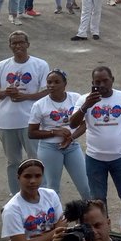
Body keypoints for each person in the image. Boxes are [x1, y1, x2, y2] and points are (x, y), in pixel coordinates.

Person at [68, 66, 121, 207]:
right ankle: (101, 229)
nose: (101, 85)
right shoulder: (84, 100)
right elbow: (72, 124)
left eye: (105, 81)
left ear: (112, 80)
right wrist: (86, 106)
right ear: (92, 83)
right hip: (94, 159)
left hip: (120, 158)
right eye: (97, 82)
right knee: (98, 201)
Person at [0, 30, 51, 195]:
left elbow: (46, 92)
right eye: (14, 43)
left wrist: (25, 96)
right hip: (6, 122)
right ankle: (16, 194)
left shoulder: (40, 65)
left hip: (30, 122)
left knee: (37, 160)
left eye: (21, 42)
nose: (18, 46)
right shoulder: (1, 66)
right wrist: (7, 93)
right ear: (10, 46)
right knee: (13, 162)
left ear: (28, 44)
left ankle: (42, 192)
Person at [28, 69, 91, 199]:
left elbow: (85, 124)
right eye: (49, 82)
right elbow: (32, 133)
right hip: (49, 148)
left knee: (85, 185)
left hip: (72, 146)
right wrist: (54, 132)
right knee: (52, 188)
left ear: (65, 84)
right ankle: (54, 218)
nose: (52, 85)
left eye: (56, 82)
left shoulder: (75, 98)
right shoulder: (39, 105)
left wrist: (71, 137)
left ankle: (90, 216)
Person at [1, 158, 64, 241]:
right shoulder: (11, 209)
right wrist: (55, 232)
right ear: (18, 177)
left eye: (38, 176)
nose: (33, 181)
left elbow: (62, 227)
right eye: (27, 176)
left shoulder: (51, 195)